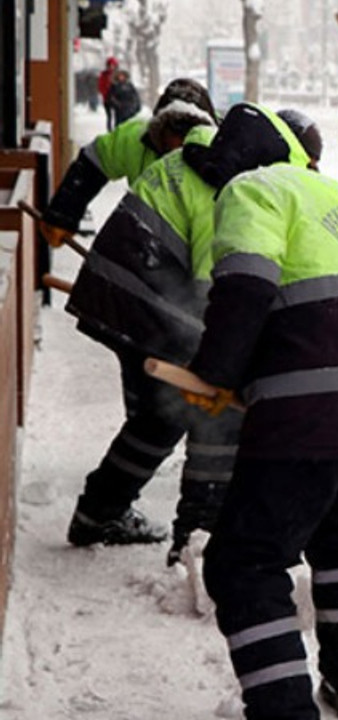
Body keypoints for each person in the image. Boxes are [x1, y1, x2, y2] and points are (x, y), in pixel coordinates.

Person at [182, 103, 338, 720]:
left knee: (245, 561)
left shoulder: (253, 191)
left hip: (317, 402)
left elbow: (246, 291)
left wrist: (216, 374)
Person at [53, 81, 222, 549]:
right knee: (177, 410)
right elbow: (215, 288)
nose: (173, 151)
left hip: (135, 285)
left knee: (159, 410)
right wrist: (63, 213)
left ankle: (100, 512)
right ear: (156, 132)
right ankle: (184, 526)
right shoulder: (211, 180)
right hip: (141, 290)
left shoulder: (213, 167)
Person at [37, 78, 218, 248]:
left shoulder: (226, 153)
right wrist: (62, 214)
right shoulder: (135, 140)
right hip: (147, 240)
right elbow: (91, 165)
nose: (180, 144)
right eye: (175, 132)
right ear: (160, 128)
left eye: (190, 134)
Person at [99, 57, 118, 130]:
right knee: (109, 116)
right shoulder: (104, 75)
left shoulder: (117, 74)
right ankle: (109, 130)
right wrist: (106, 93)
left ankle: (116, 128)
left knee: (117, 115)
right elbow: (101, 86)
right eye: (110, 65)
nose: (111, 67)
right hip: (107, 98)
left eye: (113, 65)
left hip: (116, 98)